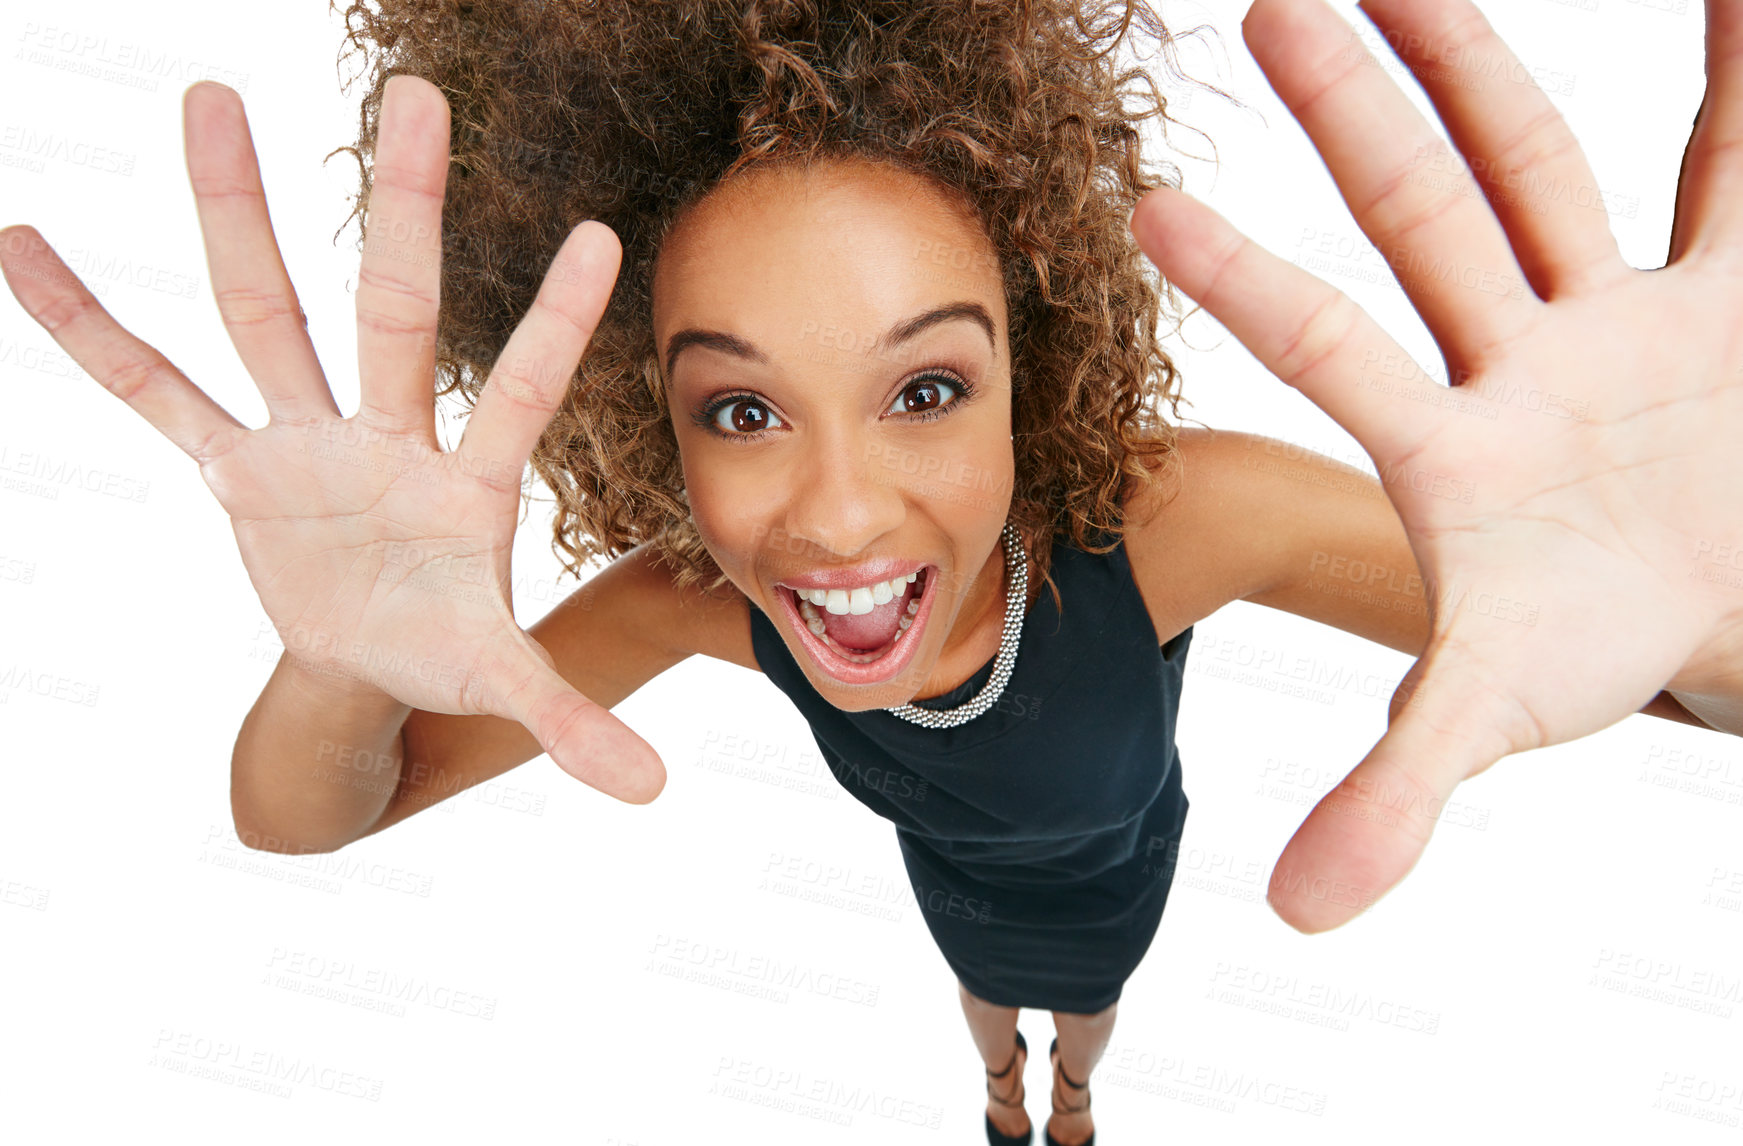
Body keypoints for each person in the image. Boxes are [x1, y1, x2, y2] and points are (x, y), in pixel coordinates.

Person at [3, 0, 1741, 1142]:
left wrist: (1705, 594)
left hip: (1125, 859)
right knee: (983, 985)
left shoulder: (1177, 520)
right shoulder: (695, 598)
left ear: (1030, 374)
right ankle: (1001, 1086)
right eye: (742, 406)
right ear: (651, 420)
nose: (835, 517)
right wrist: (340, 657)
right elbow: (313, 815)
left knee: (1096, 1007)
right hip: (958, 879)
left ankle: (1073, 1098)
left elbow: (1653, 659)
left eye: (926, 388)